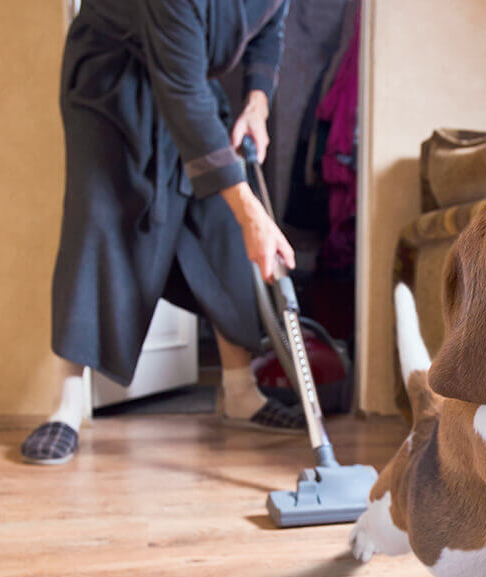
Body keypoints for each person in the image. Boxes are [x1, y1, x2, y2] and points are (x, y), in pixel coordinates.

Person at [20, 0, 301, 466]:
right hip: (112, 81)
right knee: (100, 220)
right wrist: (253, 214)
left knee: (219, 221)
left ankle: (240, 393)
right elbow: (185, 97)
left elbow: (271, 31)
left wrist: (257, 103)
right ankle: (67, 406)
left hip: (184, 74)